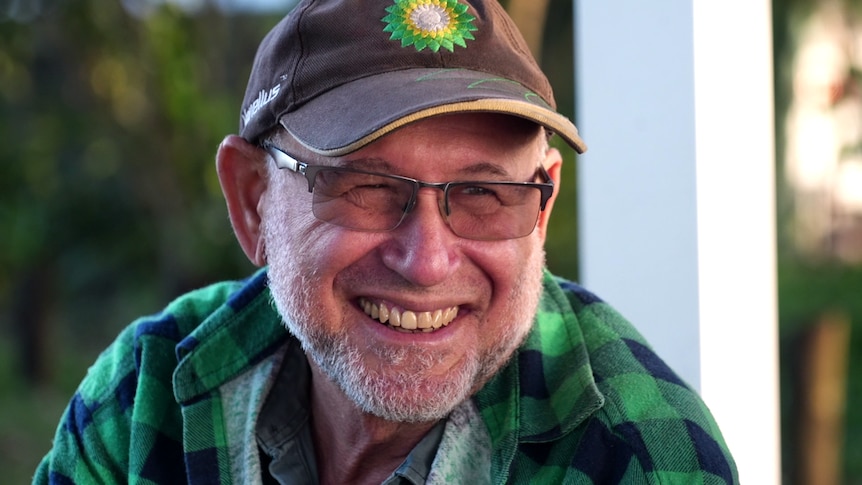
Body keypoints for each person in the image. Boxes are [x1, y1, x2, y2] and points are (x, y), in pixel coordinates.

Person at [35, 0, 738, 483]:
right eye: (366, 187)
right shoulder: (142, 400)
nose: (428, 260)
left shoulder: (641, 457)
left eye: (484, 193)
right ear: (253, 200)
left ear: (544, 205)